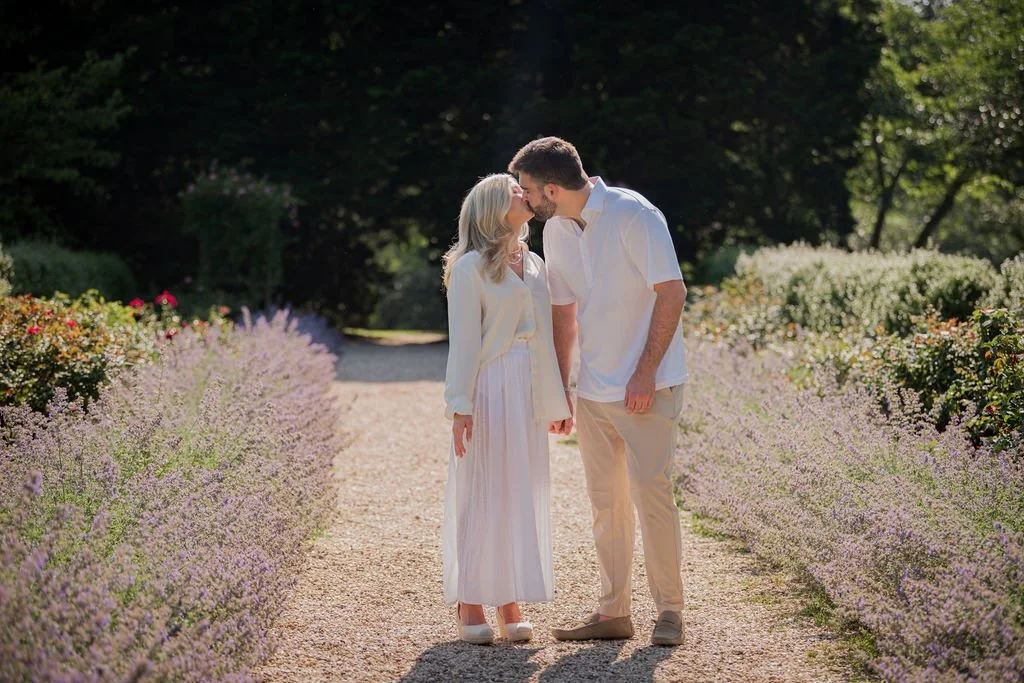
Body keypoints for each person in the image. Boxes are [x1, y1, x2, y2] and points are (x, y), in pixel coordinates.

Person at [508, 137, 689, 647]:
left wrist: (645, 372)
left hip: (646, 388)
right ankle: (613, 611)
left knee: (653, 497)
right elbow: (562, 310)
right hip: (591, 390)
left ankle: (670, 612)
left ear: (550, 187)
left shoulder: (635, 215)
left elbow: (671, 291)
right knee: (605, 504)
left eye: (526, 190)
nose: (523, 200)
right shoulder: (559, 230)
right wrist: (563, 387)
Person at [441, 173, 571, 645]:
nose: (527, 194)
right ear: (494, 206)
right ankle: (470, 598)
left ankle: (510, 600)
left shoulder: (534, 263)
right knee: (481, 486)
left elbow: (543, 342)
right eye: (517, 191)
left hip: (526, 386)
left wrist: (556, 399)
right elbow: (464, 343)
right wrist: (461, 406)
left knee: (519, 487)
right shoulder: (469, 266)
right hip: (489, 383)